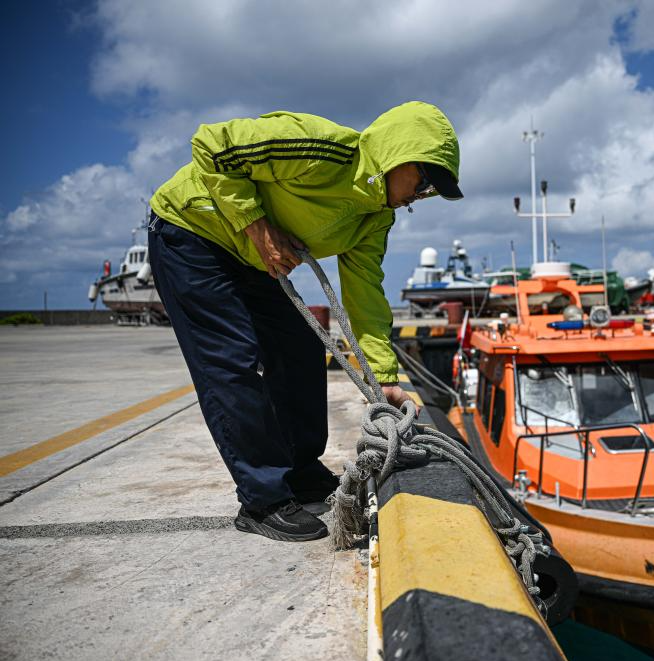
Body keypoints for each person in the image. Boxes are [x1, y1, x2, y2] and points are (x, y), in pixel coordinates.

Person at [147, 101, 462, 542]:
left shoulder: (375, 218)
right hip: (192, 232)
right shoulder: (323, 149)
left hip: (251, 258)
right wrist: (256, 225)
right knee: (232, 361)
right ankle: (263, 499)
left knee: (301, 348)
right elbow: (213, 145)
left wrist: (384, 377)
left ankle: (301, 471)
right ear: (398, 156)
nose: (421, 194)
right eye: (424, 179)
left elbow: (364, 294)